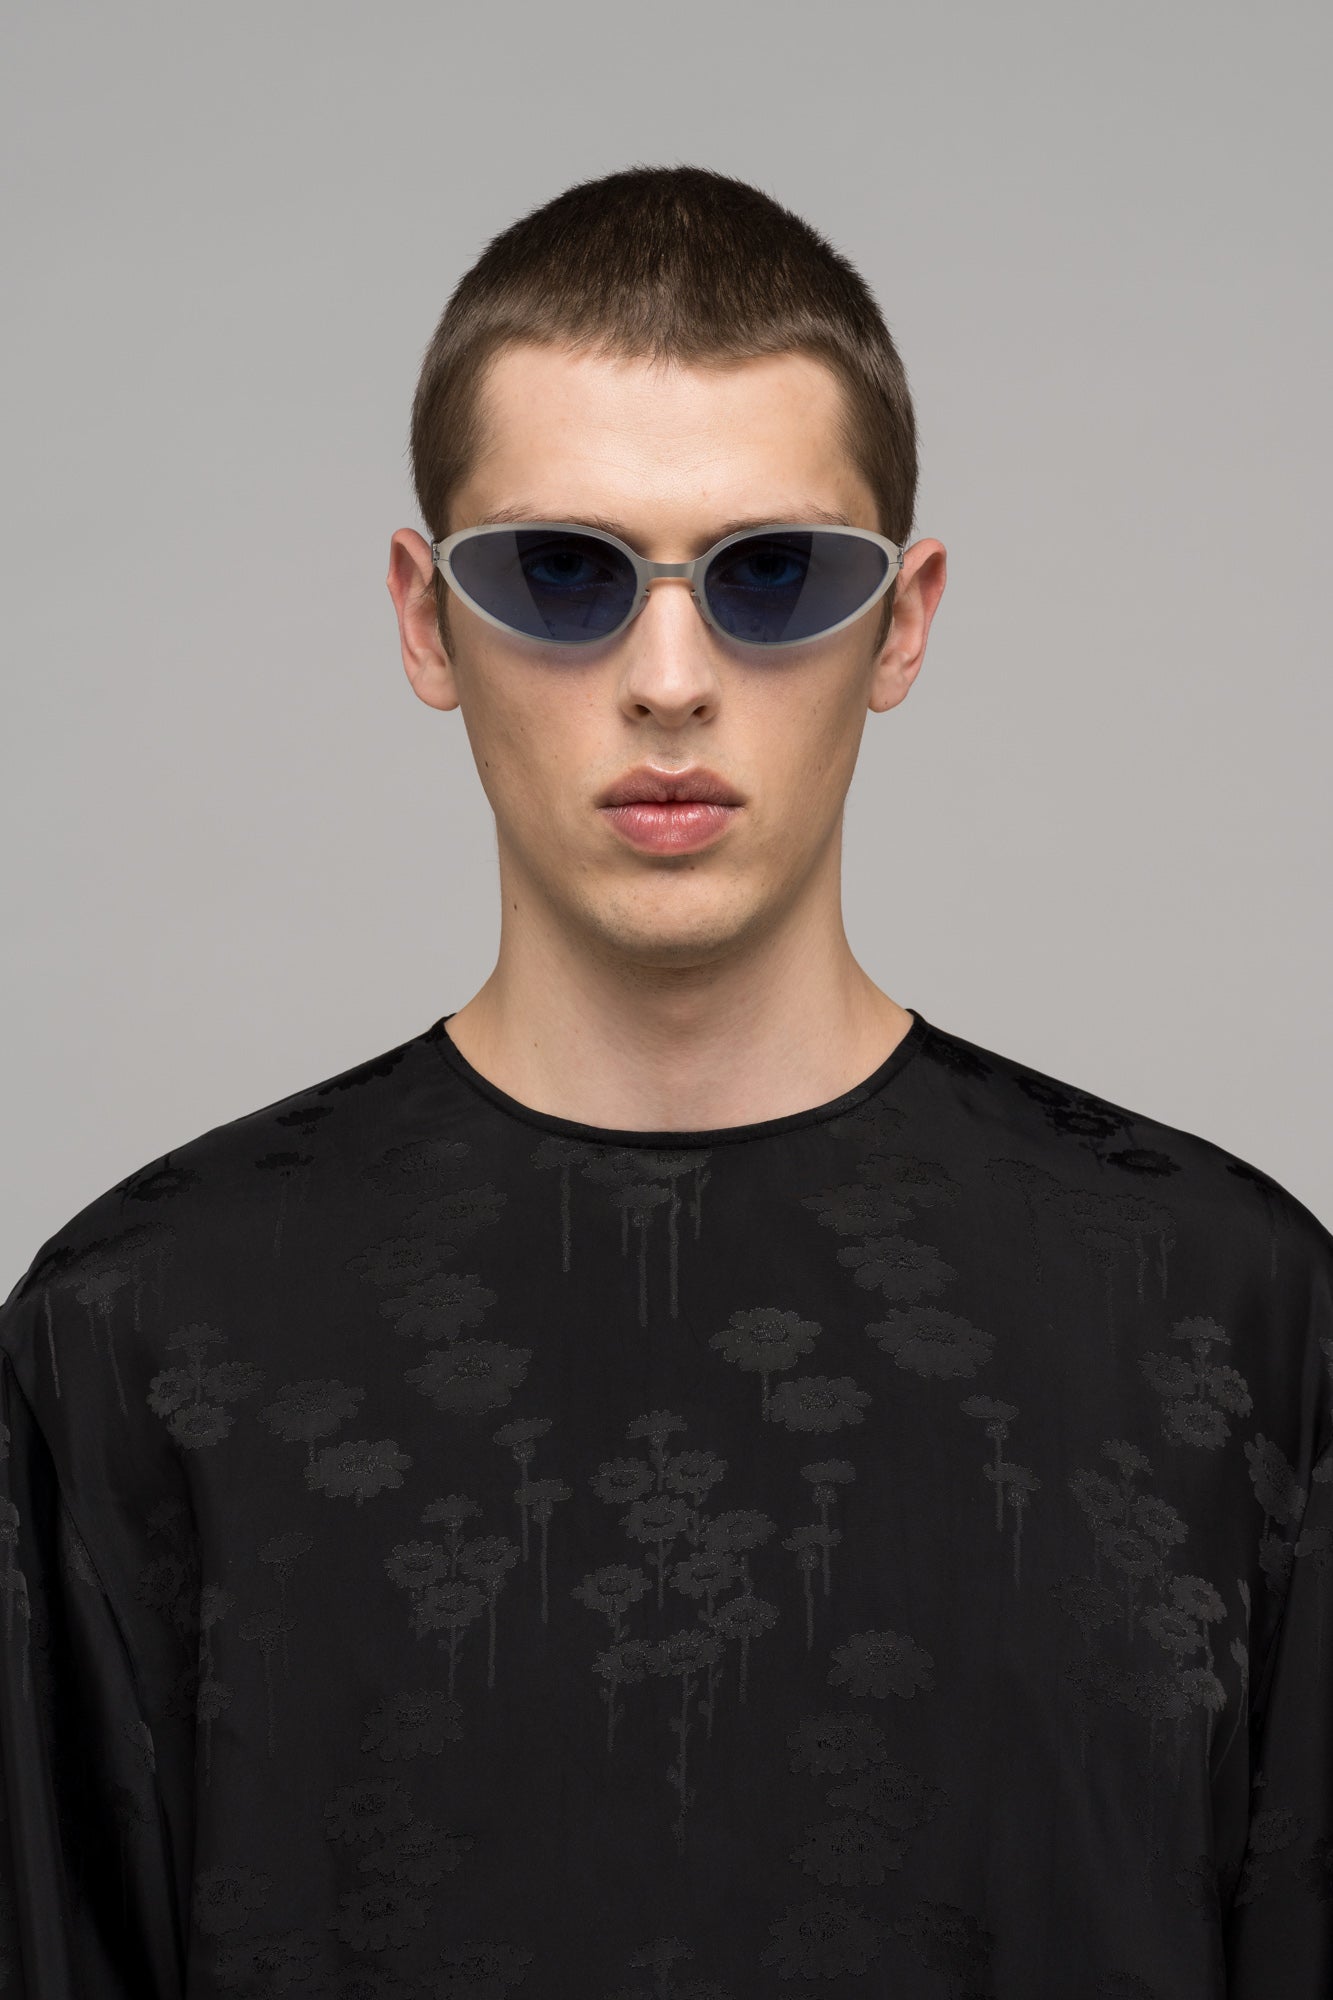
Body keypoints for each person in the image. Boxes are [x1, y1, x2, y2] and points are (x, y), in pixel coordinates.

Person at [0, 162, 1329, 2000]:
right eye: (563, 572)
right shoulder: (132, 1339)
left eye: (775, 573)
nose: (671, 678)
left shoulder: (1229, 1314)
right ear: (423, 618)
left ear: (905, 619)